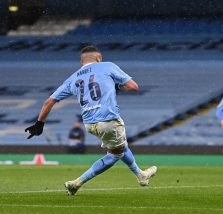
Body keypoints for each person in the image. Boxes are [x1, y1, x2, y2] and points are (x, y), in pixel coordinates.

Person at [25, 45, 157, 195]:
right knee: (115, 154)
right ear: (98, 58)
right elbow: (133, 87)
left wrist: (39, 123)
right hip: (108, 120)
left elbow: (49, 101)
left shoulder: (73, 77)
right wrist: (116, 86)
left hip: (89, 124)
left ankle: (141, 175)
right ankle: (76, 183)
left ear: (82, 62)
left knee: (121, 145)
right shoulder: (107, 66)